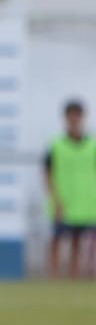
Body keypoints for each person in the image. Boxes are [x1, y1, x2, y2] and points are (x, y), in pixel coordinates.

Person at [45, 99, 96, 279]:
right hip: (63, 201)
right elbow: (48, 173)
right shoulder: (56, 145)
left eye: (77, 116)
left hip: (85, 203)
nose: (74, 120)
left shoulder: (92, 146)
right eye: (71, 116)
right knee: (57, 239)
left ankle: (74, 276)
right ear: (66, 118)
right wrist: (55, 198)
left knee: (77, 241)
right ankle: (54, 276)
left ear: (82, 118)